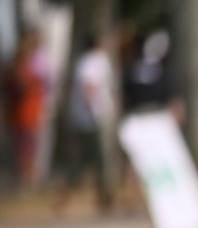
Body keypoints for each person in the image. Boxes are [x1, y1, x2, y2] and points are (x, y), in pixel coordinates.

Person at [53, 33, 116, 215]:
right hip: (90, 119)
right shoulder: (92, 62)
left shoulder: (92, 60)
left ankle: (104, 197)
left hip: (88, 117)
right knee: (93, 160)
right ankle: (98, 196)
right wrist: (92, 110)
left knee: (93, 161)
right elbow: (88, 87)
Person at [4, 30, 52, 189]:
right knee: (24, 150)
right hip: (22, 115)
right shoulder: (18, 69)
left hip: (29, 114)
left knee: (28, 149)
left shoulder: (25, 68)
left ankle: (27, 182)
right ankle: (24, 183)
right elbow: (21, 87)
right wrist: (36, 84)